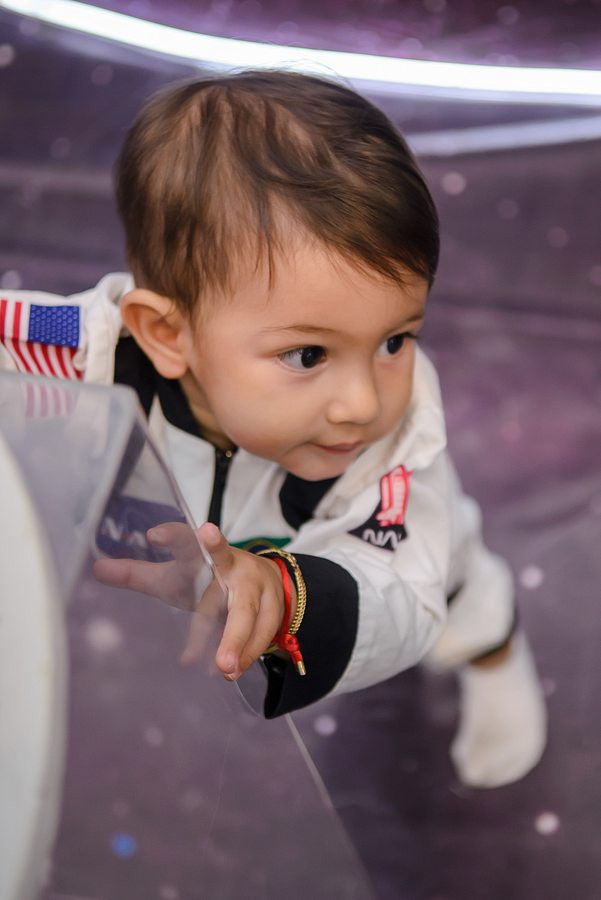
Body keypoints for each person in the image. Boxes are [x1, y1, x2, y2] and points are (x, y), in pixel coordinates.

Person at [0, 70, 546, 787]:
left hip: (384, 553)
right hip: (190, 563)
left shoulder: (397, 440)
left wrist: (290, 600)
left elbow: (399, 590)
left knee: (455, 584)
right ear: (166, 334)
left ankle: (494, 650)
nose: (361, 402)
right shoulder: (79, 354)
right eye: (308, 354)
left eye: (395, 339)